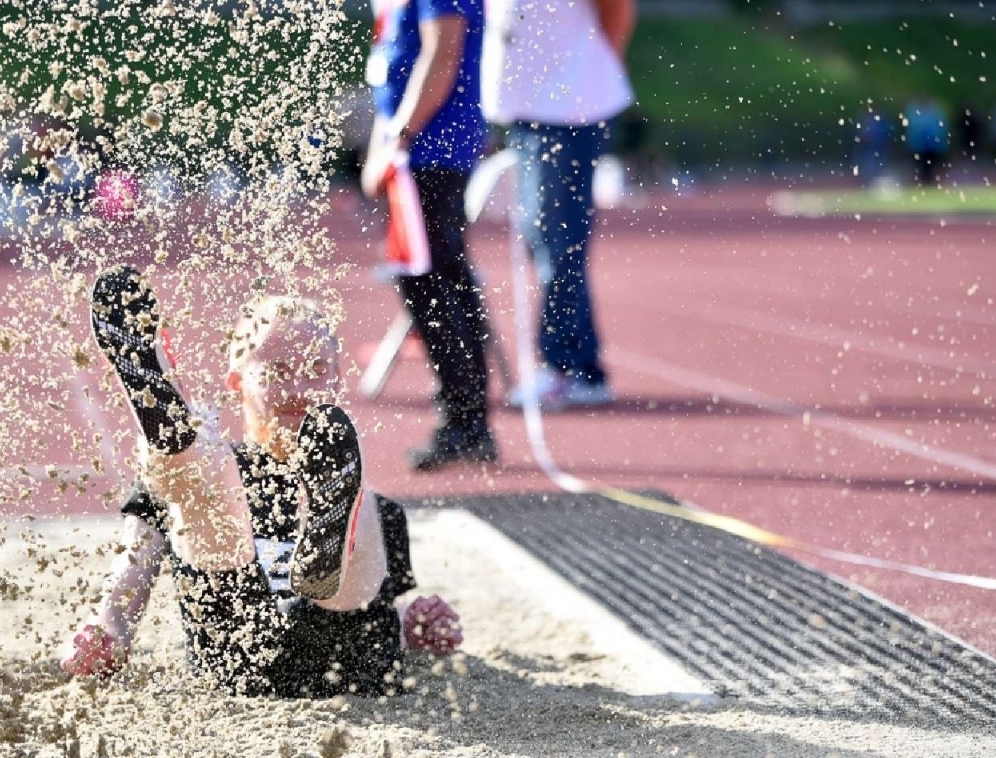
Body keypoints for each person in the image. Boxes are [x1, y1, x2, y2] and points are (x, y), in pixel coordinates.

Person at [62, 267, 464, 696]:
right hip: (241, 649)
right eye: (275, 371)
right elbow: (126, 586)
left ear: (336, 379)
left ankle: (328, 524)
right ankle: (172, 436)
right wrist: (104, 633)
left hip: (349, 659)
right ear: (236, 382)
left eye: (315, 369)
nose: (297, 387)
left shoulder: (380, 511)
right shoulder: (190, 488)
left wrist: (416, 625)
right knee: (205, 484)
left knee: (362, 510)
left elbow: (389, 610)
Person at [361, 0, 497, 470]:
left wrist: (396, 139)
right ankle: (468, 418)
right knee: (442, 278)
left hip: (429, 150)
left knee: (430, 281)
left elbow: (441, 54)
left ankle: (464, 418)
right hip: (420, 147)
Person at [482, 0, 636, 411]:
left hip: (569, 112)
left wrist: (592, 68)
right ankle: (583, 367)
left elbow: (617, 9)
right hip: (529, 112)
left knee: (557, 240)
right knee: (543, 238)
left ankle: (563, 367)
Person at [904, 97, 949, 186]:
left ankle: (928, 181)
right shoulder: (931, 114)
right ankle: (923, 181)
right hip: (921, 145)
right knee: (922, 166)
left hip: (929, 145)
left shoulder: (924, 114)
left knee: (928, 166)